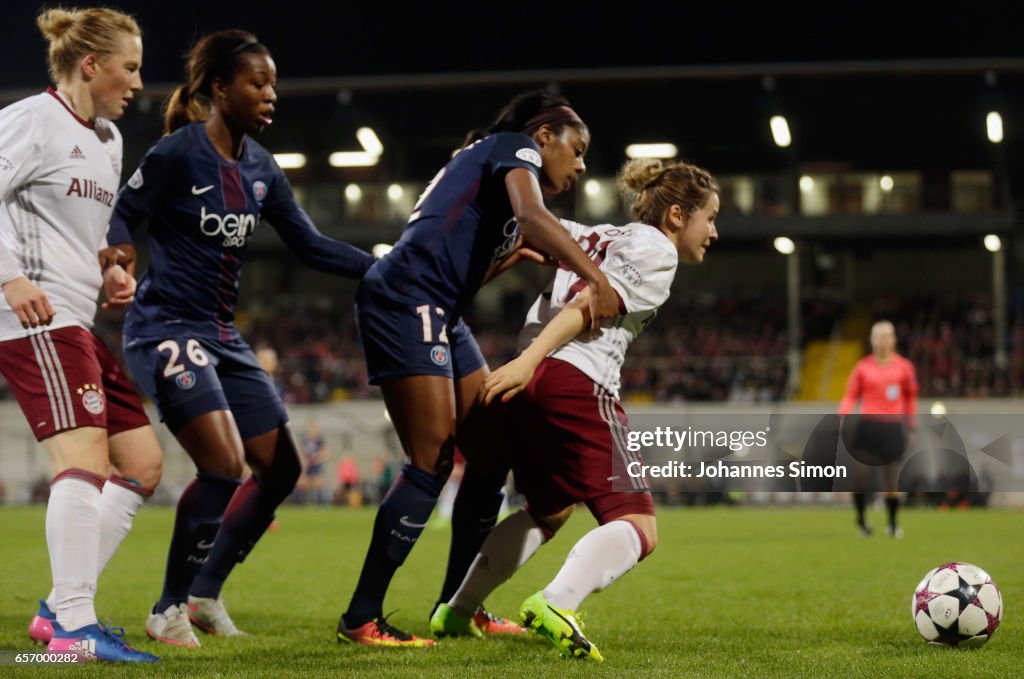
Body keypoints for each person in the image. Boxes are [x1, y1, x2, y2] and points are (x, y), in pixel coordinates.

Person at [105, 29, 375, 648]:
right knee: (224, 466)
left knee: (280, 468)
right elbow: (124, 212)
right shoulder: (178, 152)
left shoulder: (261, 168)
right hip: (165, 328)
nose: (270, 94)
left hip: (224, 337)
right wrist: (119, 258)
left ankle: (204, 594)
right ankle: (166, 608)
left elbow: (308, 244)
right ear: (220, 88)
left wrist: (386, 268)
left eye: (272, 83)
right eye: (257, 83)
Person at [337, 90, 620, 647]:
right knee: (432, 459)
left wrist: (508, 256)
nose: (582, 163)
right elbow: (533, 217)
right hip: (408, 297)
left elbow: (470, 264)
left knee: (490, 454)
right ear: (543, 137)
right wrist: (597, 278)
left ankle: (457, 605)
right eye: (578, 148)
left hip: (438, 305)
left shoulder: (485, 162)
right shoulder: (515, 149)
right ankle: (361, 617)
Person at [430, 158, 720, 661]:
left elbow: (526, 236)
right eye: (709, 217)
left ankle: (457, 610)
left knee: (549, 509)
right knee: (639, 526)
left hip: (538, 381)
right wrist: (527, 361)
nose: (713, 231)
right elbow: (588, 305)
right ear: (676, 215)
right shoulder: (656, 250)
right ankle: (557, 603)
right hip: (573, 378)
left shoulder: (602, 234)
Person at [0, 7, 160, 663]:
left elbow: (88, 234)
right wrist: (10, 277)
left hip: (78, 316)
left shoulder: (108, 140)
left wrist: (111, 269)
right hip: (34, 316)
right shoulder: (30, 120)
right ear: (90, 66)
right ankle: (73, 626)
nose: (137, 82)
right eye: (130, 68)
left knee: (143, 461)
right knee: (83, 460)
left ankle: (57, 610)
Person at [838, 320, 918, 538]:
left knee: (891, 480)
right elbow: (851, 394)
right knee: (860, 478)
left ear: (893, 340)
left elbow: (911, 398)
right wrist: (842, 413)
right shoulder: (863, 367)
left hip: (892, 428)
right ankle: (862, 521)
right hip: (868, 426)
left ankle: (892, 523)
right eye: (878, 337)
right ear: (872, 340)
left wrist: (911, 425)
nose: (882, 341)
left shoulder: (904, 367)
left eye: (886, 336)